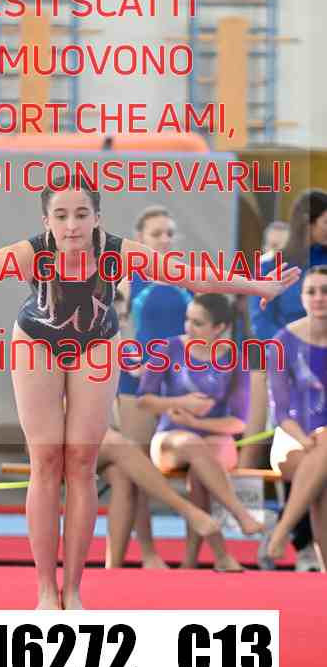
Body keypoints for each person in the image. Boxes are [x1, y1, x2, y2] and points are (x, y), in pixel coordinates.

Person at [0, 175, 300, 607]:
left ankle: (74, 588)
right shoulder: (30, 253)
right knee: (47, 461)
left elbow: (191, 274)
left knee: (81, 463)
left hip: (96, 343)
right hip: (37, 342)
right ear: (46, 220)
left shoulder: (118, 251)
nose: (71, 226)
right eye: (61, 216)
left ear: (97, 217)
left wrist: (256, 288)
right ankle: (46, 588)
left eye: (81, 214)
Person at [137, 294, 260, 571]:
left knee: (200, 470)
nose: (188, 327)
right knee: (193, 444)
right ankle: (239, 513)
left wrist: (196, 421)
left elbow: (238, 423)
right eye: (187, 319)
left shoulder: (235, 359)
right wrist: (181, 402)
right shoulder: (168, 349)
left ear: (219, 328)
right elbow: (144, 400)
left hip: (214, 438)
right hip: (172, 439)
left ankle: (195, 561)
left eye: (198, 323)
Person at [249, 189, 327, 571]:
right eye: (326, 222)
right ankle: (296, 540)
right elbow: (260, 318)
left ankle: (287, 535)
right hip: (286, 364)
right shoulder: (273, 266)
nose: (318, 297)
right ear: (308, 223)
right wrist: (295, 347)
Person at [117, 207, 191, 568]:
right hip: (138, 378)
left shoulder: (186, 276)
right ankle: (147, 551)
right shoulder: (126, 279)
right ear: (140, 239)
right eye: (156, 234)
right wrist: (132, 361)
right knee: (137, 464)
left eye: (169, 233)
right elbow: (112, 326)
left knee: (198, 459)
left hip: (178, 380)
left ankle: (193, 554)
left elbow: (199, 330)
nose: (164, 240)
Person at [266, 266, 327, 569]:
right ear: (301, 297)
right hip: (292, 436)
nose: (319, 298)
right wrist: (306, 439)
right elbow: (280, 411)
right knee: (322, 472)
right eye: (311, 291)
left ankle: (281, 530)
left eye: (325, 291)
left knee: (323, 471)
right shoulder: (282, 342)